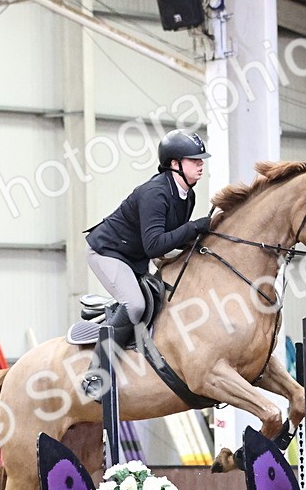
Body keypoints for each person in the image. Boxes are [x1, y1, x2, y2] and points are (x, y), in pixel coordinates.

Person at [80, 129, 212, 398]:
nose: (200, 164)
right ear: (174, 163)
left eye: (201, 160)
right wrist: (194, 227)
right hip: (107, 252)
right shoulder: (156, 193)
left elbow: (168, 241)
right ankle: (96, 373)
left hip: (135, 258)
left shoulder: (188, 195)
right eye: (194, 160)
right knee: (136, 304)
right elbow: (155, 244)